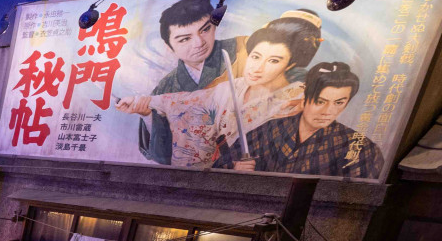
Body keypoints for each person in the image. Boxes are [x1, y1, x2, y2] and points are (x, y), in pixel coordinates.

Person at [117, 19, 317, 169]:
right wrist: (140, 102)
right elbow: (185, 101)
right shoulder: (235, 87)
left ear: (290, 64)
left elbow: (289, 155)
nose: (258, 68)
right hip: (223, 174)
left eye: (274, 61)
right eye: (255, 56)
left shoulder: (297, 101)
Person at [238, 61, 385, 179]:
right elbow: (225, 163)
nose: (328, 111)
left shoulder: (361, 147)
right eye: (320, 101)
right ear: (305, 96)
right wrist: (235, 168)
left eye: (339, 103)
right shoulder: (270, 129)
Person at [138, 0, 236, 165]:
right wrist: (147, 115)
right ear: (169, 47)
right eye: (185, 39)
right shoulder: (166, 86)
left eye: (205, 30)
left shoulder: (241, 54)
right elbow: (161, 154)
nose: (199, 43)